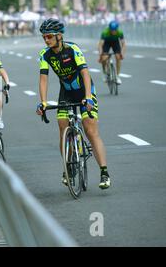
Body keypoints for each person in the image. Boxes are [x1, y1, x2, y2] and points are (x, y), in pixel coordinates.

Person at [36, 18, 111, 190]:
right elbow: (43, 79)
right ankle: (68, 168)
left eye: (49, 36)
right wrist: (43, 102)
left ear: (59, 36)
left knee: (90, 129)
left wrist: (88, 97)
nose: (46, 40)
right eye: (44, 37)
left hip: (84, 90)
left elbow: (85, 73)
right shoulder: (44, 54)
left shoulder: (73, 49)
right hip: (66, 92)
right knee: (62, 127)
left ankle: (104, 172)